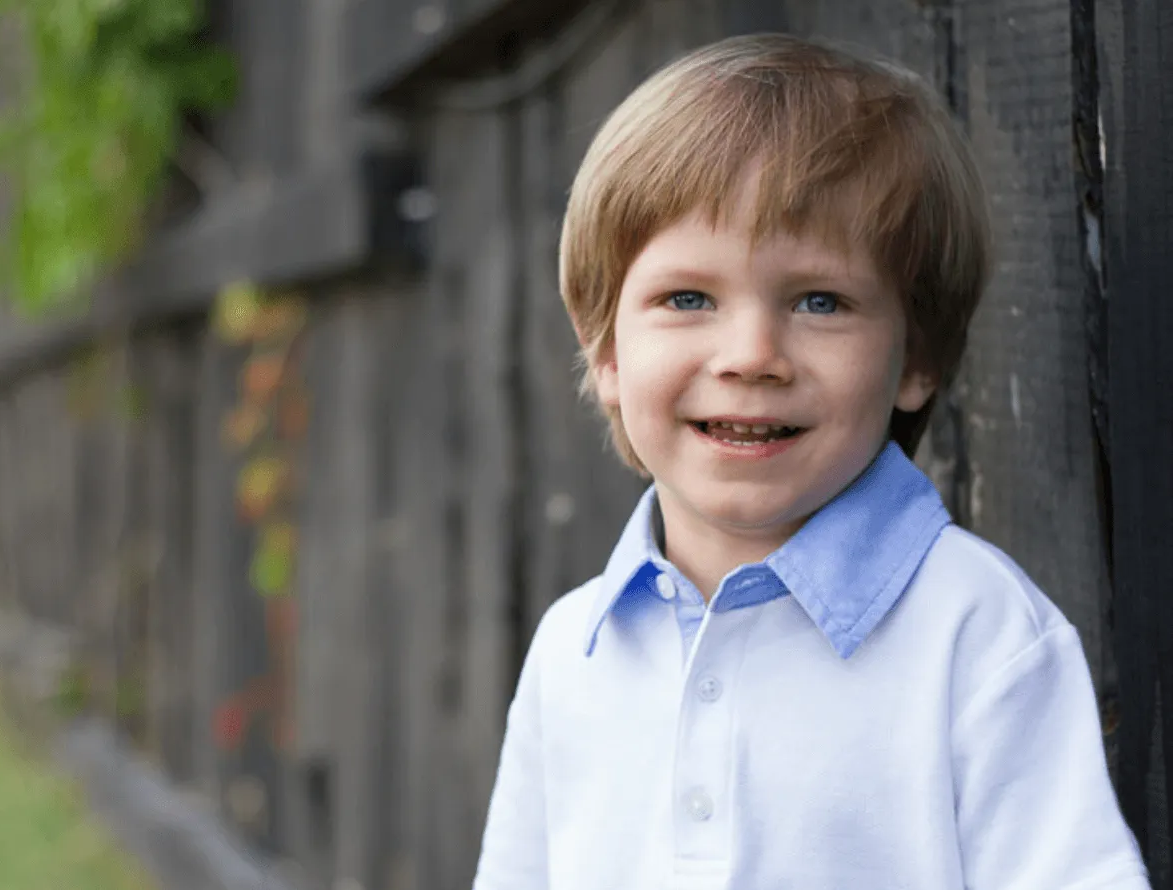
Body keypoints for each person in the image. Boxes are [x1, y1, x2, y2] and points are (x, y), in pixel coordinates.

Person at [472, 33, 1148, 890]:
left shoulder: (976, 633)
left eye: (820, 301)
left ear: (917, 359)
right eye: (688, 298)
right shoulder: (574, 649)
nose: (752, 353)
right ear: (607, 352)